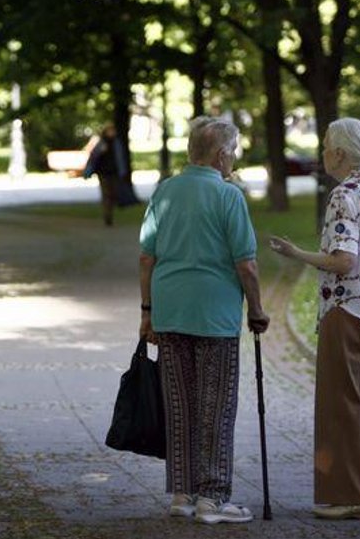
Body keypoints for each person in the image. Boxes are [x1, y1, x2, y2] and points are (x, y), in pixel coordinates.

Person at [270, 118, 360, 520]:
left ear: (341, 154)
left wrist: (296, 254)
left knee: (341, 403)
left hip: (346, 308)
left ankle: (351, 498)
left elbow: (343, 261)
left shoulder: (344, 195)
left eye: (326, 145)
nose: (323, 152)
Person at [139, 116, 269, 524]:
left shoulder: (164, 192)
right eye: (234, 152)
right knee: (215, 406)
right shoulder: (229, 197)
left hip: (171, 310)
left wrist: (146, 311)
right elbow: (246, 265)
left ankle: (181, 494)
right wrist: (258, 310)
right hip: (215, 315)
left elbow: (147, 257)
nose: (234, 160)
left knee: (179, 404)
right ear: (222, 154)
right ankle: (212, 499)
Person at [83, 124, 133, 226]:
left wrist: (122, 171)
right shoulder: (101, 144)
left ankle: (110, 211)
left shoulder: (116, 143)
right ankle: (107, 216)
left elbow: (120, 159)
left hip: (114, 172)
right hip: (104, 173)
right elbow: (94, 158)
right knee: (106, 194)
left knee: (113, 193)